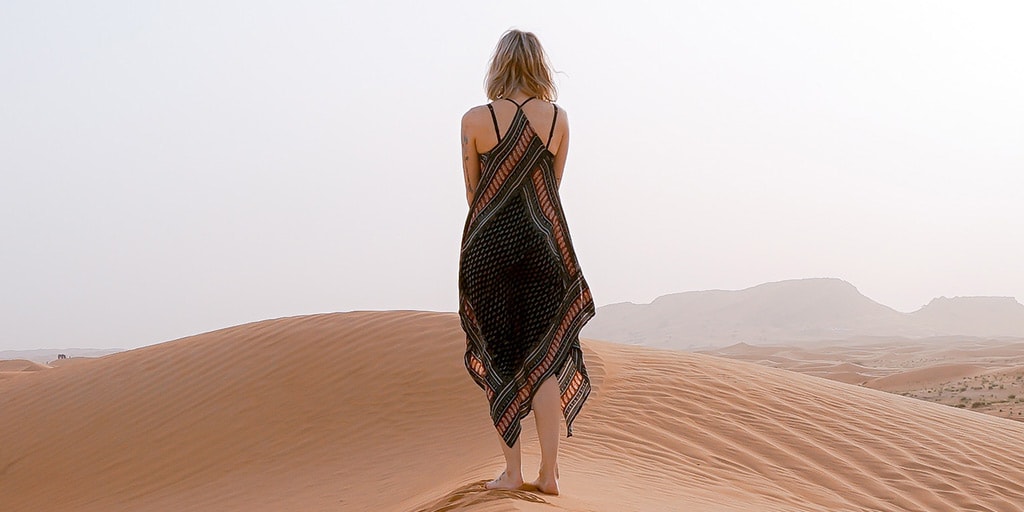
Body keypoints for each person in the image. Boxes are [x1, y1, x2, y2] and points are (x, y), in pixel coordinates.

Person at [458, 29, 595, 496]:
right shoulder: (558, 120)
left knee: (502, 357)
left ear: (498, 65)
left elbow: (474, 194)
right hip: (544, 250)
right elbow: (551, 187)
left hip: (489, 252)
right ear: (539, 66)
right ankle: (550, 472)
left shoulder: (474, 120)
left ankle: (512, 471)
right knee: (546, 360)